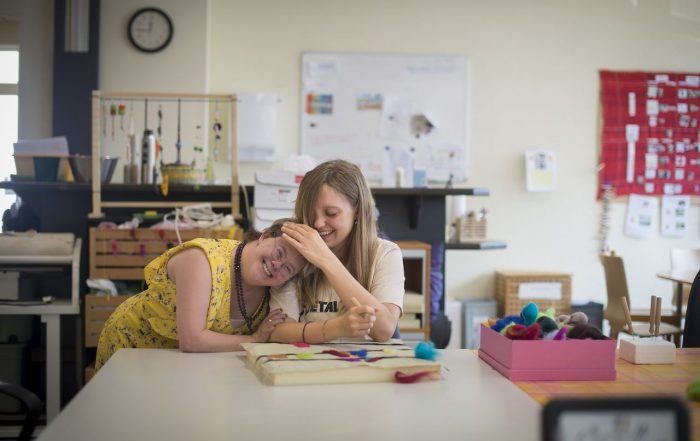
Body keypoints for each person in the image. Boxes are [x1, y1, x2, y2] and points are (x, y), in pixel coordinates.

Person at [95, 219, 305, 371]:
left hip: (182, 365)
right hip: (132, 348)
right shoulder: (202, 260)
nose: (277, 265)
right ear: (265, 236)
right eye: (279, 253)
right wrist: (254, 339)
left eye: (287, 269)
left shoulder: (274, 290)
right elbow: (192, 340)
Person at [270, 160, 404, 343]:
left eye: (331, 213)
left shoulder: (385, 253)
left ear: (357, 212)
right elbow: (278, 332)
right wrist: (335, 329)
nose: (317, 223)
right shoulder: (294, 253)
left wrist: (327, 261)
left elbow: (384, 330)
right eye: (310, 213)